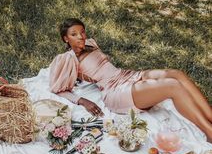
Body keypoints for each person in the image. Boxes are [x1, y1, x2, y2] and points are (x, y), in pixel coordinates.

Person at [49, 18, 212, 141]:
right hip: (115, 92)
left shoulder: (90, 43)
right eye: (74, 34)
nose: (81, 36)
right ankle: (209, 132)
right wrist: (83, 101)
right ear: (66, 39)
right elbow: (58, 88)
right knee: (173, 86)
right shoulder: (67, 58)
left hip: (126, 76)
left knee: (177, 74)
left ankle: (210, 116)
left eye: (82, 31)